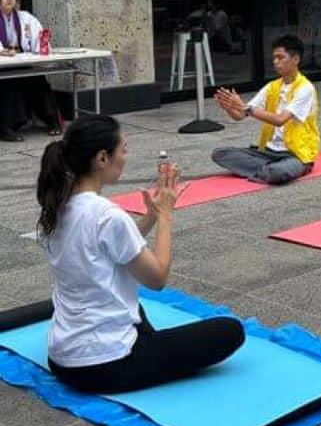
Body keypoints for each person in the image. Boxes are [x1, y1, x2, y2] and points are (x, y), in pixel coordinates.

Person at [37, 115, 244, 392]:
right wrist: (167, 216)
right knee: (230, 331)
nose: (126, 157)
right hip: (105, 366)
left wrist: (151, 217)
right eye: (123, 149)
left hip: (62, 358)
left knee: (136, 307)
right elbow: (157, 278)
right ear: (102, 158)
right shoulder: (107, 215)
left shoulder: (57, 208)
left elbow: (105, 245)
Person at [211, 34, 319, 185]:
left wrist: (245, 107)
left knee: (279, 171)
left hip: (295, 155)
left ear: (296, 59)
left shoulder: (305, 88)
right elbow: (241, 115)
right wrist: (229, 107)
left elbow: (280, 120)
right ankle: (266, 171)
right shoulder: (272, 87)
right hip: (267, 153)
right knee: (220, 154)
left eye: (280, 57)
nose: (275, 62)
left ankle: (268, 171)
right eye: (274, 58)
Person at [0, 0, 61, 142]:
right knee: (8, 84)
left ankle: (52, 120)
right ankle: (7, 127)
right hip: (3, 65)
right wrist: (3, 51)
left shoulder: (25, 17)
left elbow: (38, 37)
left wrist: (40, 47)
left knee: (38, 81)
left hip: (22, 60)